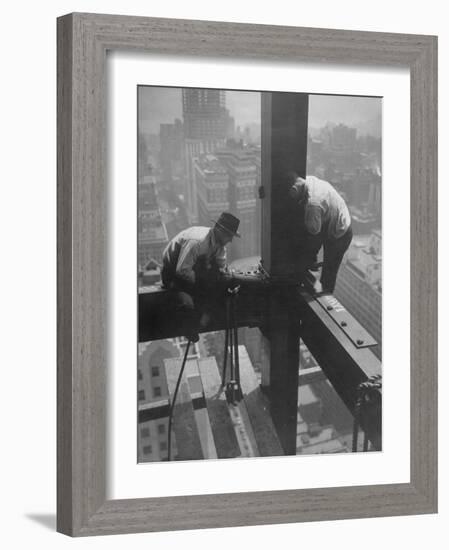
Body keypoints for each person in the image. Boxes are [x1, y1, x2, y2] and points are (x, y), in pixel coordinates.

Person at [160, 212, 240, 342]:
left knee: (216, 292)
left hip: (194, 272)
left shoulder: (219, 246)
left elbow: (221, 268)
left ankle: (202, 321)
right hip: (173, 273)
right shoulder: (197, 242)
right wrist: (204, 284)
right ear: (219, 230)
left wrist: (226, 278)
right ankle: (191, 327)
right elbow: (182, 270)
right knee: (190, 303)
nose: (230, 240)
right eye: (229, 236)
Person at [289, 174, 352, 294]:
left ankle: (325, 299)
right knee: (310, 252)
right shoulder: (308, 180)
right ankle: (310, 266)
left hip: (340, 233)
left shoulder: (313, 204)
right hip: (332, 221)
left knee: (329, 271)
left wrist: (306, 260)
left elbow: (314, 235)